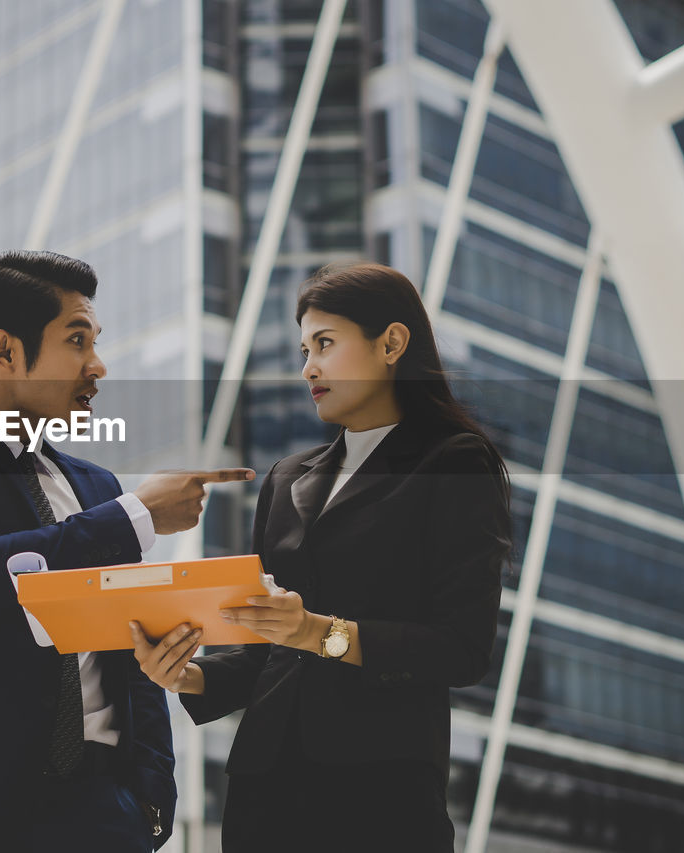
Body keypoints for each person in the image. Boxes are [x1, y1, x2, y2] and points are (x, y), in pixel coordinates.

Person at [0, 250, 254, 851]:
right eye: (77, 340)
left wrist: (147, 802)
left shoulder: (95, 487)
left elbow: (129, 645)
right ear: (6, 351)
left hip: (102, 816)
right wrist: (142, 512)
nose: (98, 366)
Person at [130, 262, 512, 851]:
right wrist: (189, 673)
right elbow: (267, 646)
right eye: (304, 349)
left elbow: (461, 648)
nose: (308, 366)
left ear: (391, 343)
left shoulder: (454, 462)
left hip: (381, 790)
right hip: (264, 791)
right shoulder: (287, 479)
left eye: (325, 345)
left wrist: (320, 633)